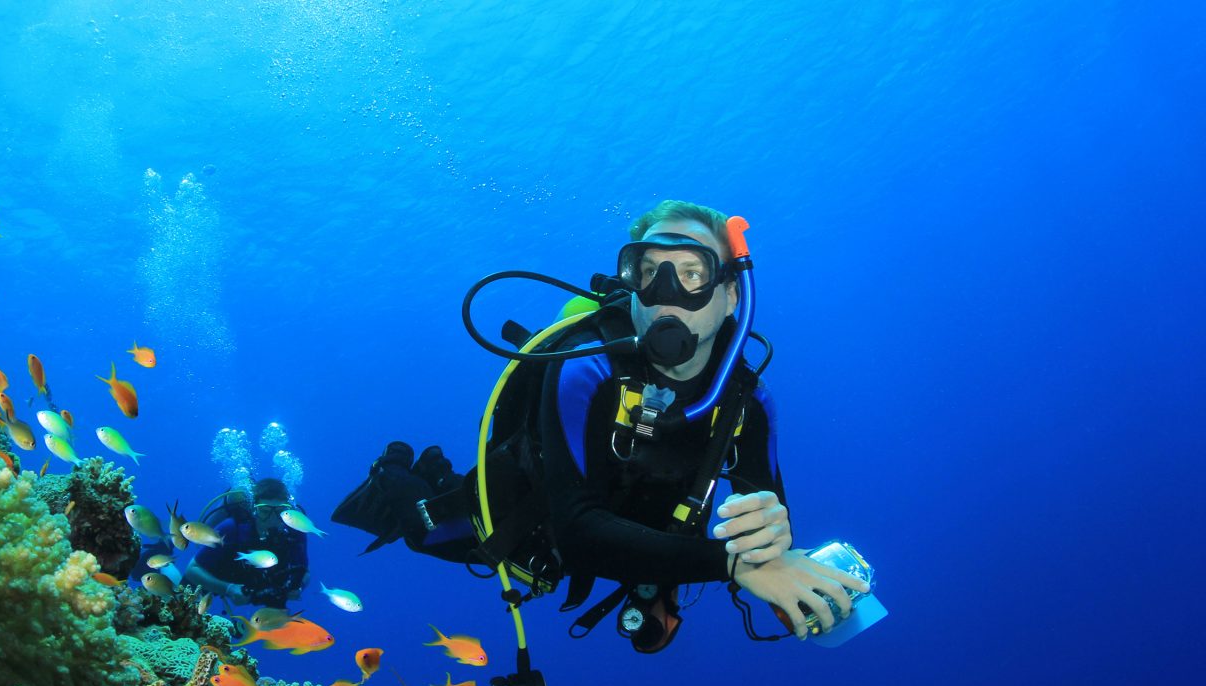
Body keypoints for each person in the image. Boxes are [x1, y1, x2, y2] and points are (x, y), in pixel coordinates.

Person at [334, 199, 869, 655]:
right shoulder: (584, 369)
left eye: (692, 273)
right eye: (647, 270)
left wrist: (772, 536)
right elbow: (579, 532)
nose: (665, 292)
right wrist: (729, 565)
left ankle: (428, 469)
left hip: (635, 529)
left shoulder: (747, 404)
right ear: (629, 282)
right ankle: (398, 472)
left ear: (732, 294)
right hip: (526, 514)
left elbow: (761, 531)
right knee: (423, 533)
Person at [181, 477, 310, 609]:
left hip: (261, 584)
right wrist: (228, 589)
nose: (272, 519)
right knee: (179, 603)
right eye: (265, 511)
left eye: (279, 512)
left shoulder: (296, 531)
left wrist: (298, 588)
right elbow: (192, 569)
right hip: (223, 576)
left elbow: (305, 572)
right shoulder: (232, 528)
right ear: (255, 509)